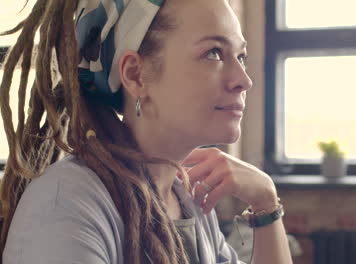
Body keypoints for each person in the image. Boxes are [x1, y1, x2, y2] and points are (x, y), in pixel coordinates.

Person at [0, 0, 293, 263]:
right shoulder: (67, 200)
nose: (243, 80)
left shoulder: (188, 199)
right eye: (214, 53)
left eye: (240, 56)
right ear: (135, 75)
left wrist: (266, 203)